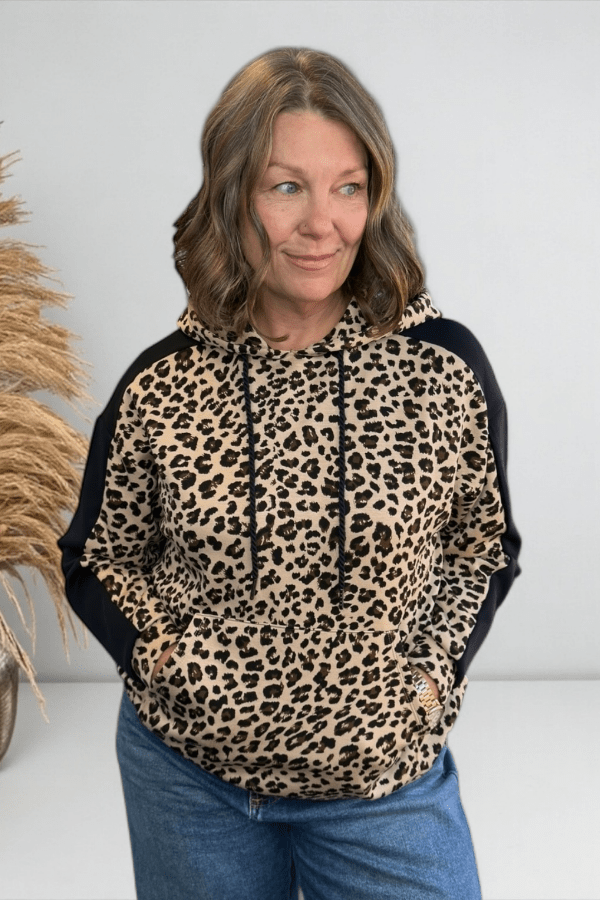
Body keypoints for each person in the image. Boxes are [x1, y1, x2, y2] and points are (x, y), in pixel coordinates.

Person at [59, 47, 521, 900]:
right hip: (189, 786)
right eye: (286, 187)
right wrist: (165, 662)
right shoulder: (162, 382)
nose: (323, 224)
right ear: (232, 193)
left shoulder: (443, 368)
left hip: (381, 789)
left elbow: (481, 549)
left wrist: (427, 680)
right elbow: (98, 555)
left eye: (349, 186)